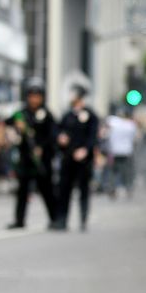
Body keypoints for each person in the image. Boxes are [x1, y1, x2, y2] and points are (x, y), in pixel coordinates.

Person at [5, 77, 59, 229]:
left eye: (37, 96)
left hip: (42, 160)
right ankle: (19, 220)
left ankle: (55, 218)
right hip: (25, 159)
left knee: (47, 190)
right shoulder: (21, 113)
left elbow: (53, 135)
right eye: (31, 96)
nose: (34, 99)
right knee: (22, 191)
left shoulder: (47, 115)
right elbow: (6, 123)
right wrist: (16, 128)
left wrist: (42, 147)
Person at [54, 85, 99, 231]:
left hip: (83, 159)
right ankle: (62, 219)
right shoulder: (67, 115)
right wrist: (61, 139)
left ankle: (83, 218)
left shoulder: (90, 115)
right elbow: (59, 131)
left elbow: (93, 137)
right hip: (68, 158)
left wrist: (85, 150)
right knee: (64, 189)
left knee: (84, 189)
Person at [104, 105, 139, 199]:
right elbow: (135, 138)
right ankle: (128, 188)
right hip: (127, 151)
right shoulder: (131, 125)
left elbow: (106, 128)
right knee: (126, 172)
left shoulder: (113, 122)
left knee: (113, 172)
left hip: (114, 151)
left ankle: (112, 189)